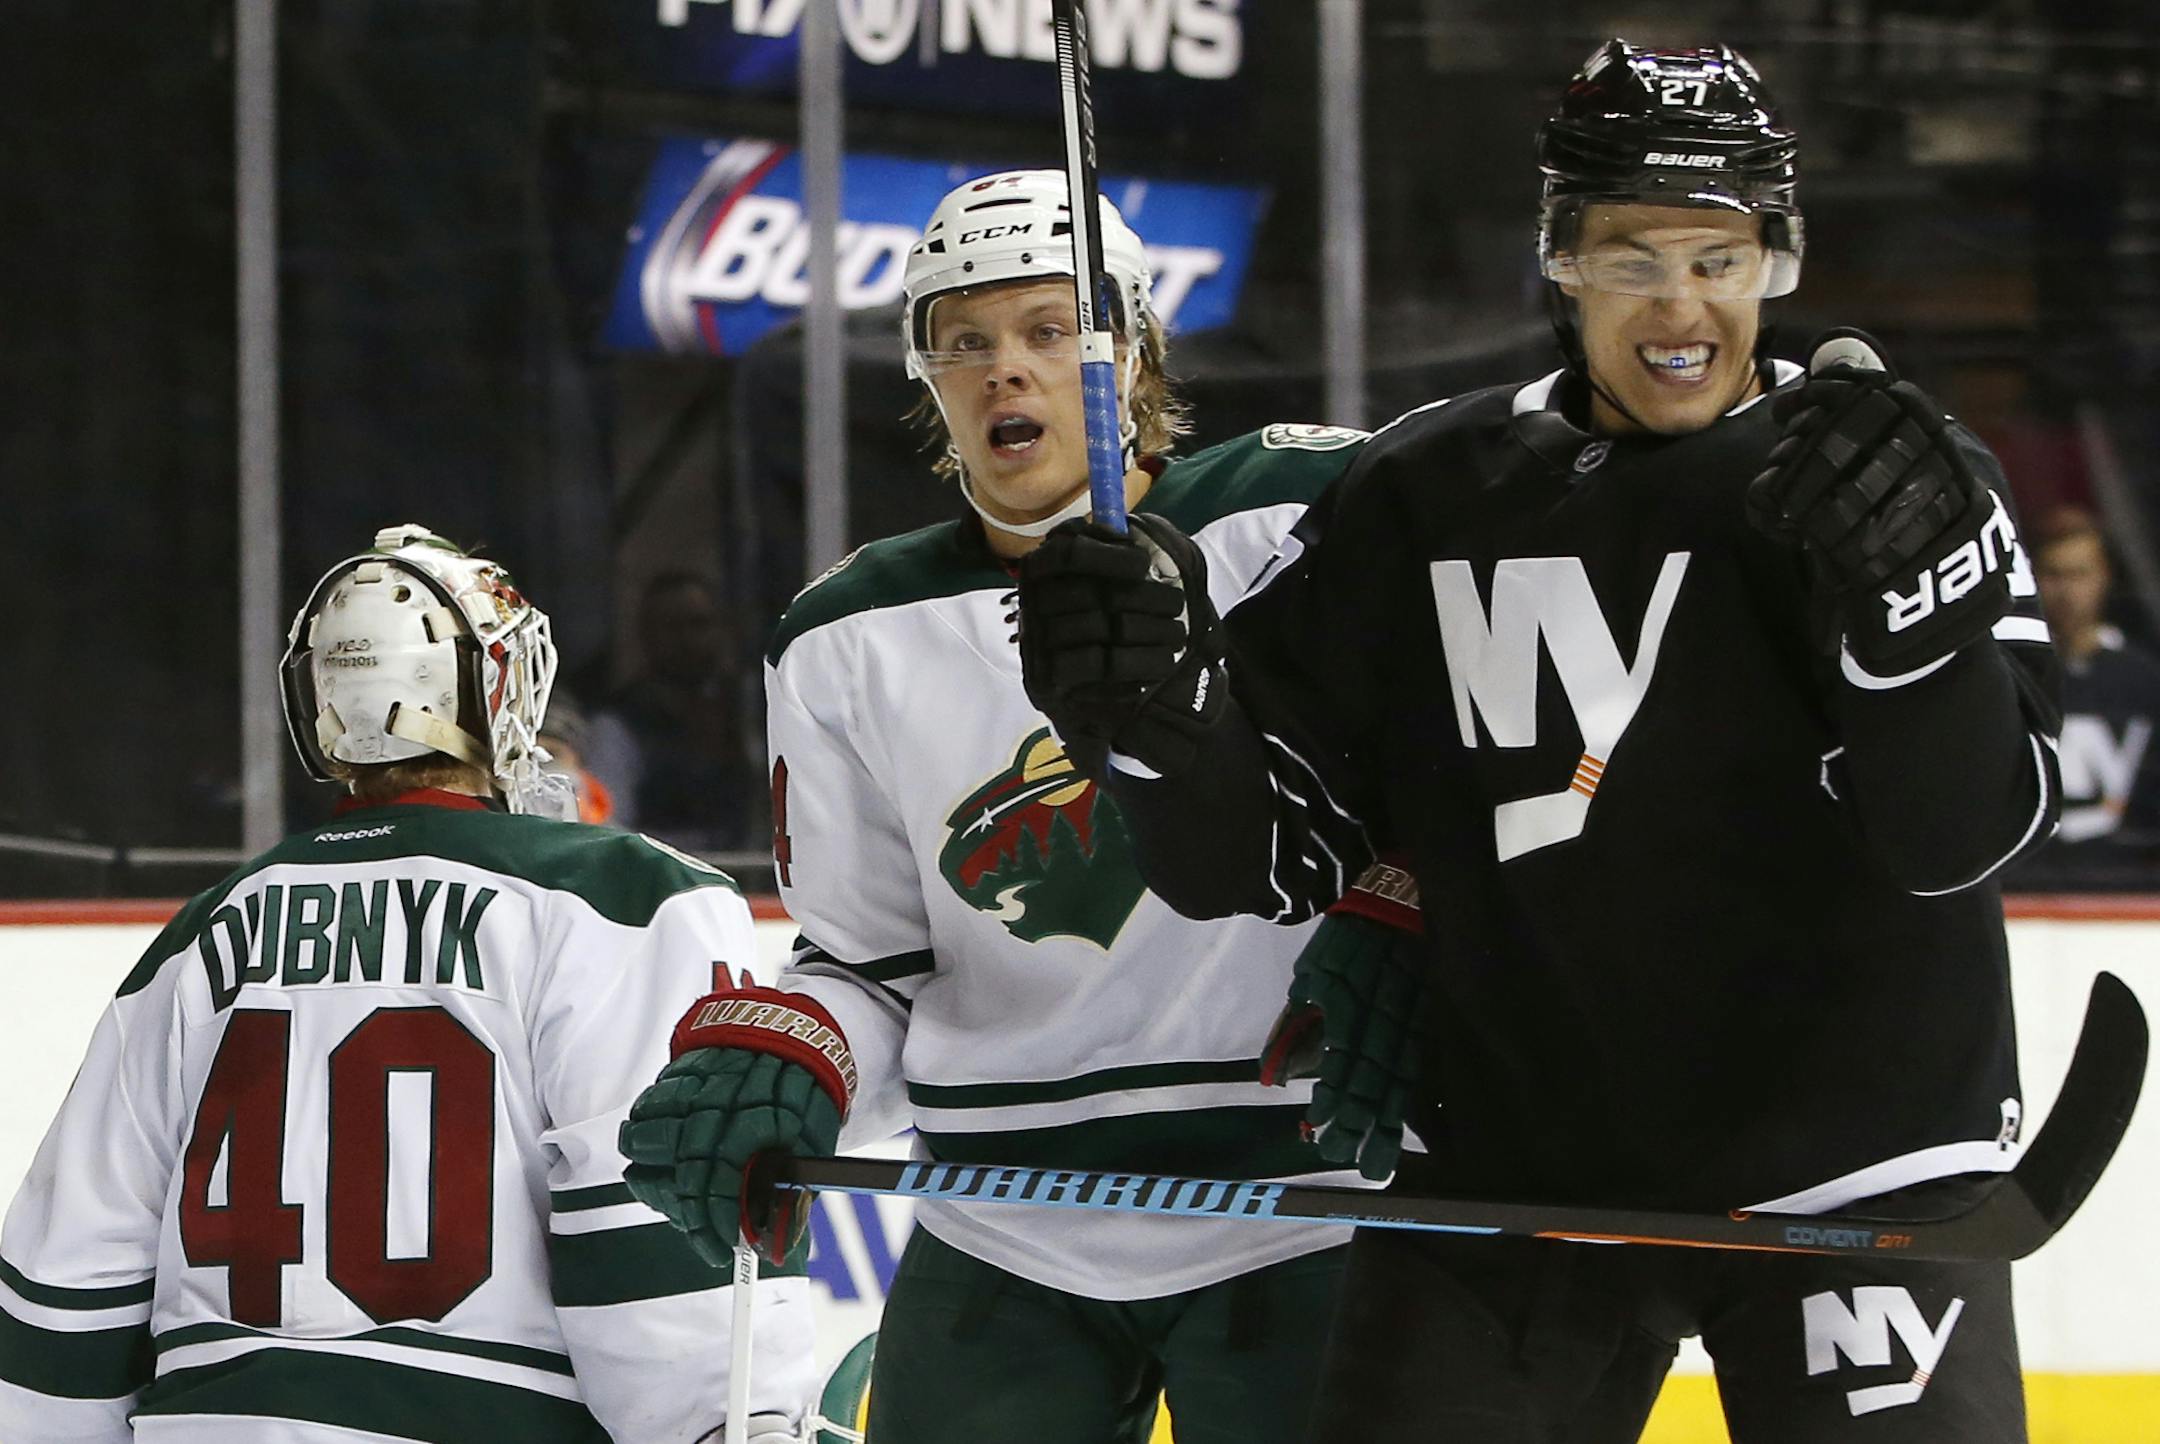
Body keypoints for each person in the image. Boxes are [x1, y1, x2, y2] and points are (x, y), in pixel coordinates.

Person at [1017, 41, 2062, 1444]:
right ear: (1561, 260)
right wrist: (1148, 722)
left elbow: (1963, 837)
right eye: (1634, 258)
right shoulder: (1422, 494)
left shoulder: (1891, 478)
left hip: (1855, 1165)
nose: (1681, 304)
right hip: (1521, 1172)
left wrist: (1915, 631)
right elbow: (1253, 858)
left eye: (1721, 256)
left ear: (1777, 261)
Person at [618, 171, 1418, 1444]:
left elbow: (1468, 772)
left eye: (1050, 332)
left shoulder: (1299, 517)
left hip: (1308, 1198)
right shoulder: (845, 635)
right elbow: (872, 963)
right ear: (927, 377)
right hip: (1007, 1215)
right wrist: (797, 1046)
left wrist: (1413, 901)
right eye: (965, 341)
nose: (1005, 371)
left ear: (1137, 355)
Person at [0, 525, 816, 1443]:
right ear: (492, 688)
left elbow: (68, 1281)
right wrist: (742, 1422)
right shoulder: (624, 900)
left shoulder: (206, 932)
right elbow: (655, 1245)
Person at [2014, 505, 2160, 888]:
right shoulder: (2010, 675)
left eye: (2080, 574)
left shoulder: (2143, 681)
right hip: (2019, 884)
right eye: (2054, 574)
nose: (2067, 591)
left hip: (2122, 887)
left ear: (2105, 577)